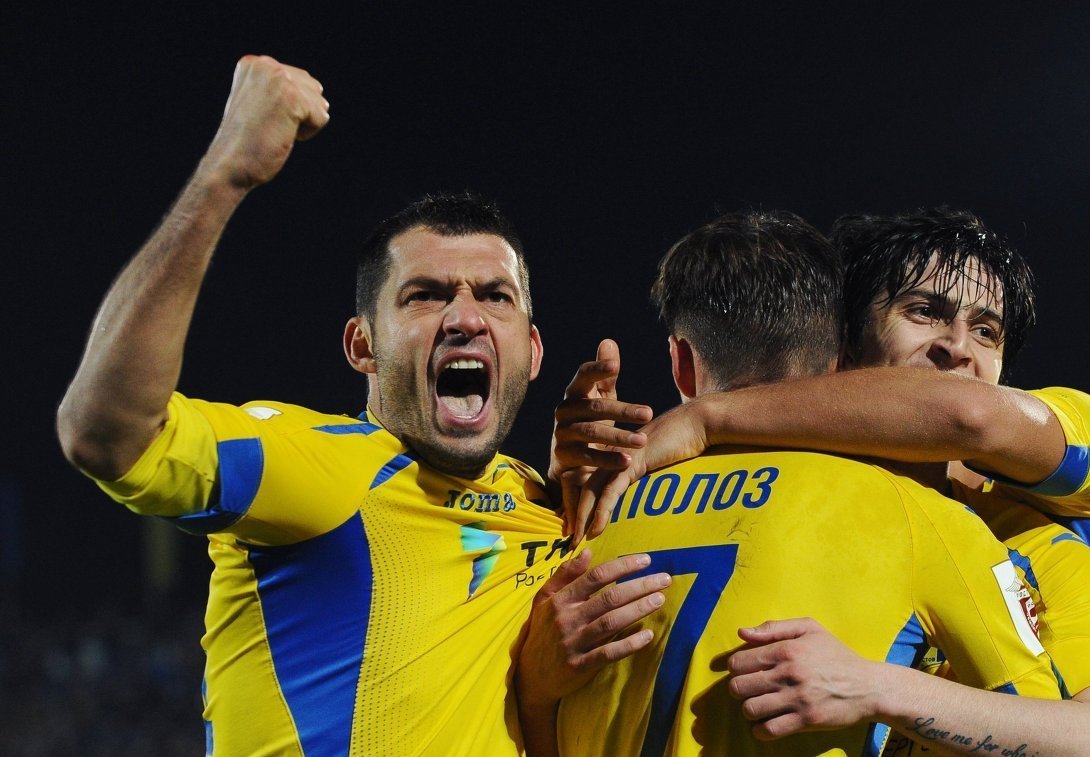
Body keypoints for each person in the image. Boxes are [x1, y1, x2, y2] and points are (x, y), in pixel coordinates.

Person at [55, 55, 664, 756]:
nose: (465, 317)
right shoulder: (315, 467)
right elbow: (103, 431)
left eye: (495, 296)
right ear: (362, 345)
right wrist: (225, 174)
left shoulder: (550, 504)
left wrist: (593, 488)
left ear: (531, 351)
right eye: (425, 295)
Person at [565, 207, 1090, 755]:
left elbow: (971, 417)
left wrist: (706, 416)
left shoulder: (1061, 505)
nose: (959, 345)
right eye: (924, 312)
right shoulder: (867, 522)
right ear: (846, 349)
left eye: (988, 330)